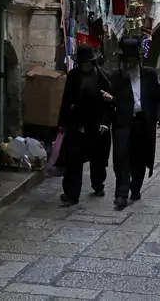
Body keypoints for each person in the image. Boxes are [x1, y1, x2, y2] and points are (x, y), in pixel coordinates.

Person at [57, 44, 113, 207]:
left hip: (97, 124)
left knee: (98, 159)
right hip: (77, 122)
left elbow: (109, 104)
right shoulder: (74, 76)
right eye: (83, 63)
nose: (85, 66)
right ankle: (71, 194)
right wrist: (62, 122)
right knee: (73, 159)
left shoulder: (104, 77)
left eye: (88, 63)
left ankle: (98, 185)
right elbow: (66, 100)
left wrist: (105, 122)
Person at [109, 37, 160, 209]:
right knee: (121, 156)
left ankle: (136, 187)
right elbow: (112, 98)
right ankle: (121, 194)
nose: (128, 63)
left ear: (137, 59)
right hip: (123, 123)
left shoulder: (149, 75)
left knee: (139, 158)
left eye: (131, 60)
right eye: (126, 60)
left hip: (142, 122)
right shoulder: (116, 77)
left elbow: (157, 98)